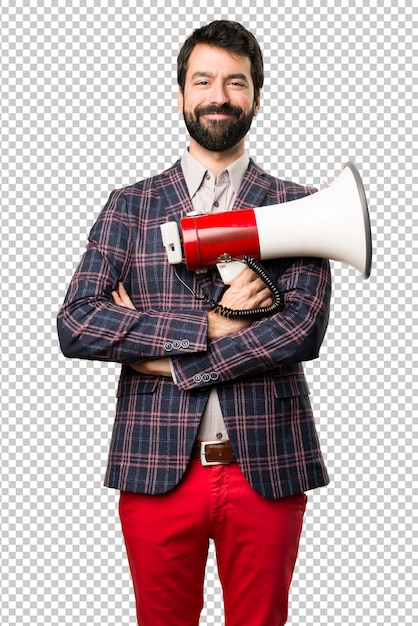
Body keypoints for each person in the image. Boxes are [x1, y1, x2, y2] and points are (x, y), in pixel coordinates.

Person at [57, 20, 331, 626]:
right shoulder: (130, 206)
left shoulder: (303, 208)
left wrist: (157, 353)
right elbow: (77, 324)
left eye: (236, 82)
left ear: (257, 96)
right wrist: (209, 325)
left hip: (267, 466)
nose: (218, 95)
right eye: (202, 80)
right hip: (155, 465)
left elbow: (300, 330)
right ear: (180, 94)